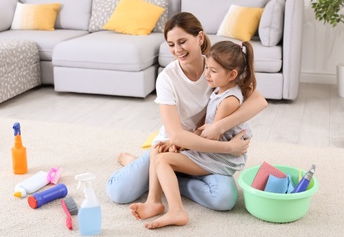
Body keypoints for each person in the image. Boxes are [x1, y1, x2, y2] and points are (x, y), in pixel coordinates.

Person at [106, 12, 267, 222]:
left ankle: (166, 174)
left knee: (225, 199)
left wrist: (219, 127)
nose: (177, 50)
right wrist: (228, 148)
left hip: (202, 152)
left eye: (182, 42)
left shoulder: (218, 68)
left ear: (200, 38)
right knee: (118, 192)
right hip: (174, 144)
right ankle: (140, 164)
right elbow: (177, 136)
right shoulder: (167, 79)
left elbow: (259, 101)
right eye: (171, 44)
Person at [129, 40, 257, 229]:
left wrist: (180, 145)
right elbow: (205, 128)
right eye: (208, 68)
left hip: (219, 158)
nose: (207, 74)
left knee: (163, 160)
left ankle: (176, 211)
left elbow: (210, 137)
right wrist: (175, 143)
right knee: (158, 151)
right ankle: (154, 202)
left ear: (232, 74)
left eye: (213, 71)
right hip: (213, 152)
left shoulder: (228, 101)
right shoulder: (221, 90)